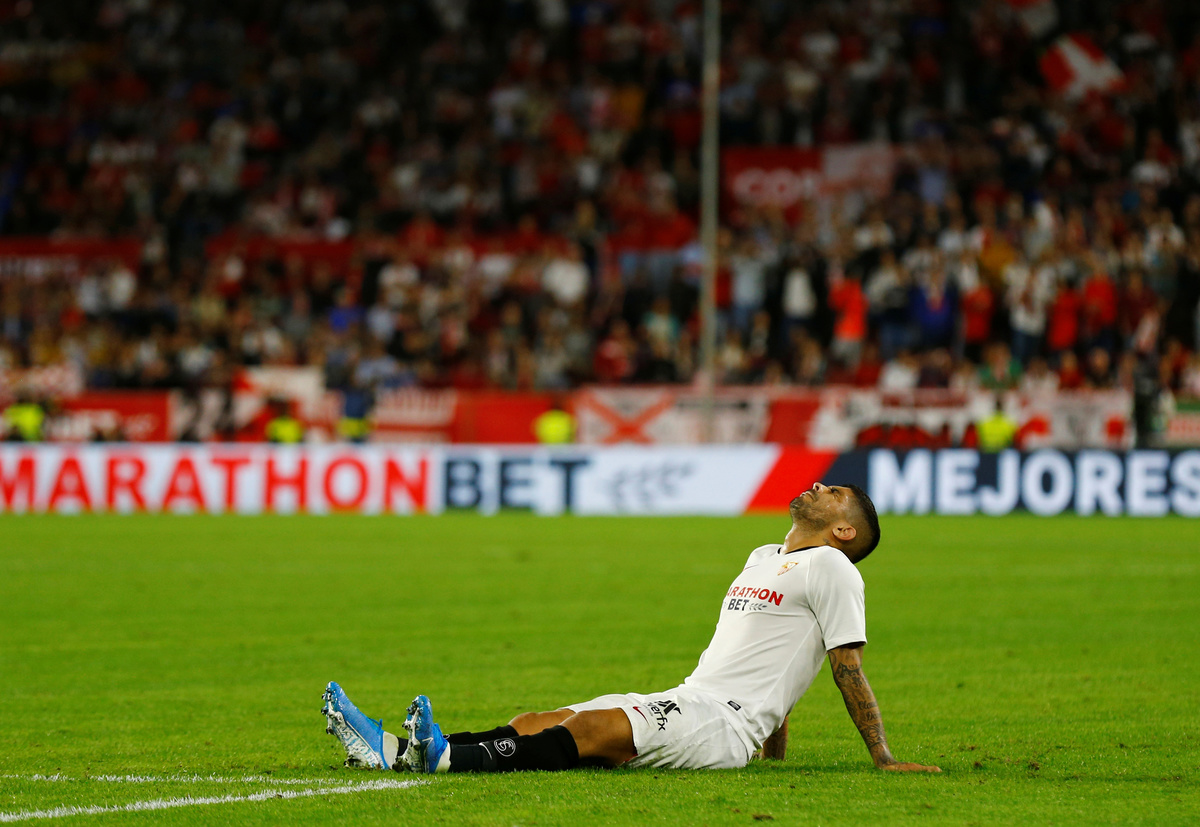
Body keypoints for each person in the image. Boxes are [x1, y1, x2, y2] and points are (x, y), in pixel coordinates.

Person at [321, 483, 941, 776]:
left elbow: (844, 665)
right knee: (536, 720)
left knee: (590, 732)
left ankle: (443, 758)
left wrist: (883, 758)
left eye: (835, 493)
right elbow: (774, 655)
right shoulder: (763, 557)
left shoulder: (834, 568)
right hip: (691, 697)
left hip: (722, 723)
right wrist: (775, 745)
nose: (819, 486)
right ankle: (393, 750)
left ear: (844, 531)